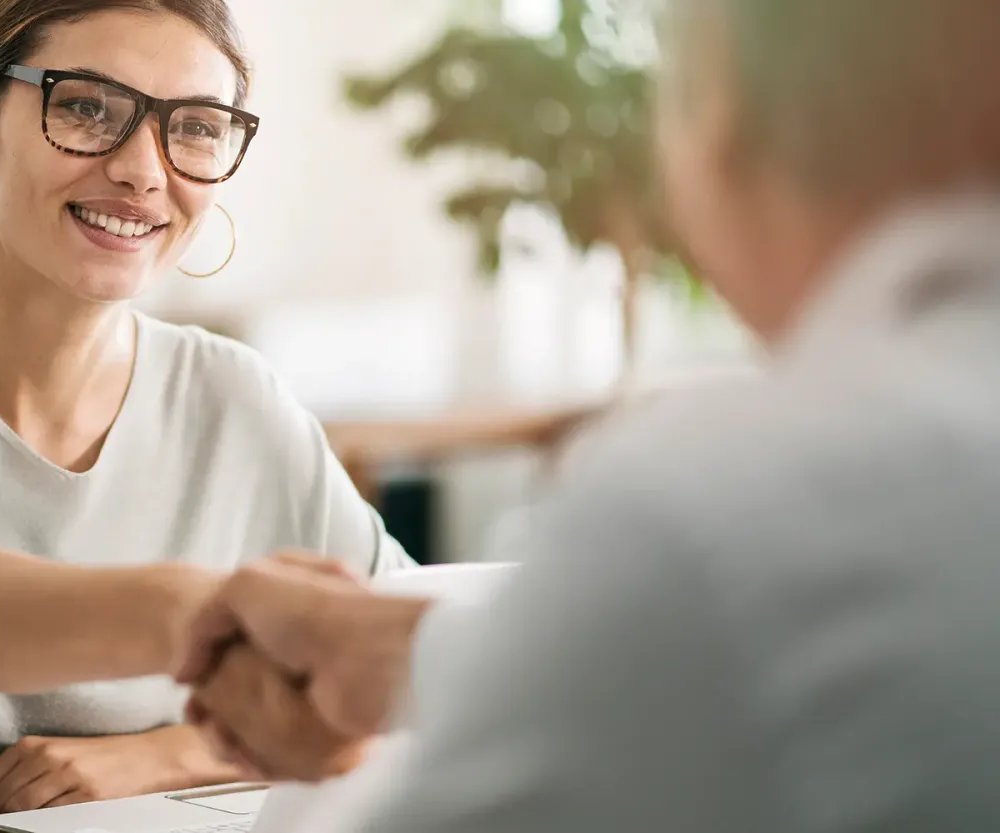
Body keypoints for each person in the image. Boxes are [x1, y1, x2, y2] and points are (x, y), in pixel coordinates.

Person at [179, 0, 1000, 831]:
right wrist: (419, 651)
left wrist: (315, 767)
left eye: (199, 127)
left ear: (717, 114)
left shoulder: (716, 504)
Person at [0, 1, 412, 831]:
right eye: (87, 107)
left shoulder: (237, 398)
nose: (142, 170)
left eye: (194, 128)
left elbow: (408, 676)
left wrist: (174, 751)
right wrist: (206, 615)